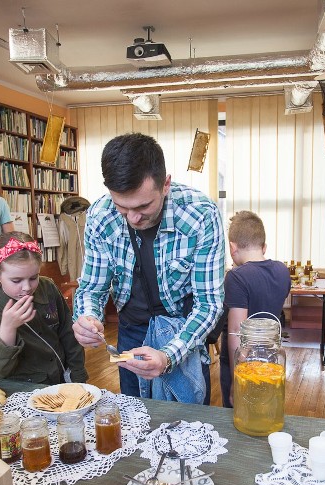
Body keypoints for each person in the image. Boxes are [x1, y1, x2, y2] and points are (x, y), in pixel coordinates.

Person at [72, 133, 224, 404]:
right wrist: (86, 318)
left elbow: (209, 304)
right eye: (122, 207)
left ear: (165, 184)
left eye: (143, 206)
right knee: (135, 414)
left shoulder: (201, 214)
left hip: (183, 334)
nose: (133, 218)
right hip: (130, 331)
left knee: (190, 423)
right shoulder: (99, 215)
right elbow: (91, 289)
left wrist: (169, 356)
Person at [0, 232, 87, 384]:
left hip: (62, 381)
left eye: (33, 278)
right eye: (16, 280)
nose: (26, 287)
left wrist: (78, 376)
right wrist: (8, 329)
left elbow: (68, 334)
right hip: (23, 390)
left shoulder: (48, 287)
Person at [220, 211, 291, 408]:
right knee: (266, 409)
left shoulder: (237, 277)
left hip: (244, 363)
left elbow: (236, 333)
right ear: (264, 246)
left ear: (232, 248)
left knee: (240, 414)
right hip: (272, 357)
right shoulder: (283, 271)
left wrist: (237, 382)